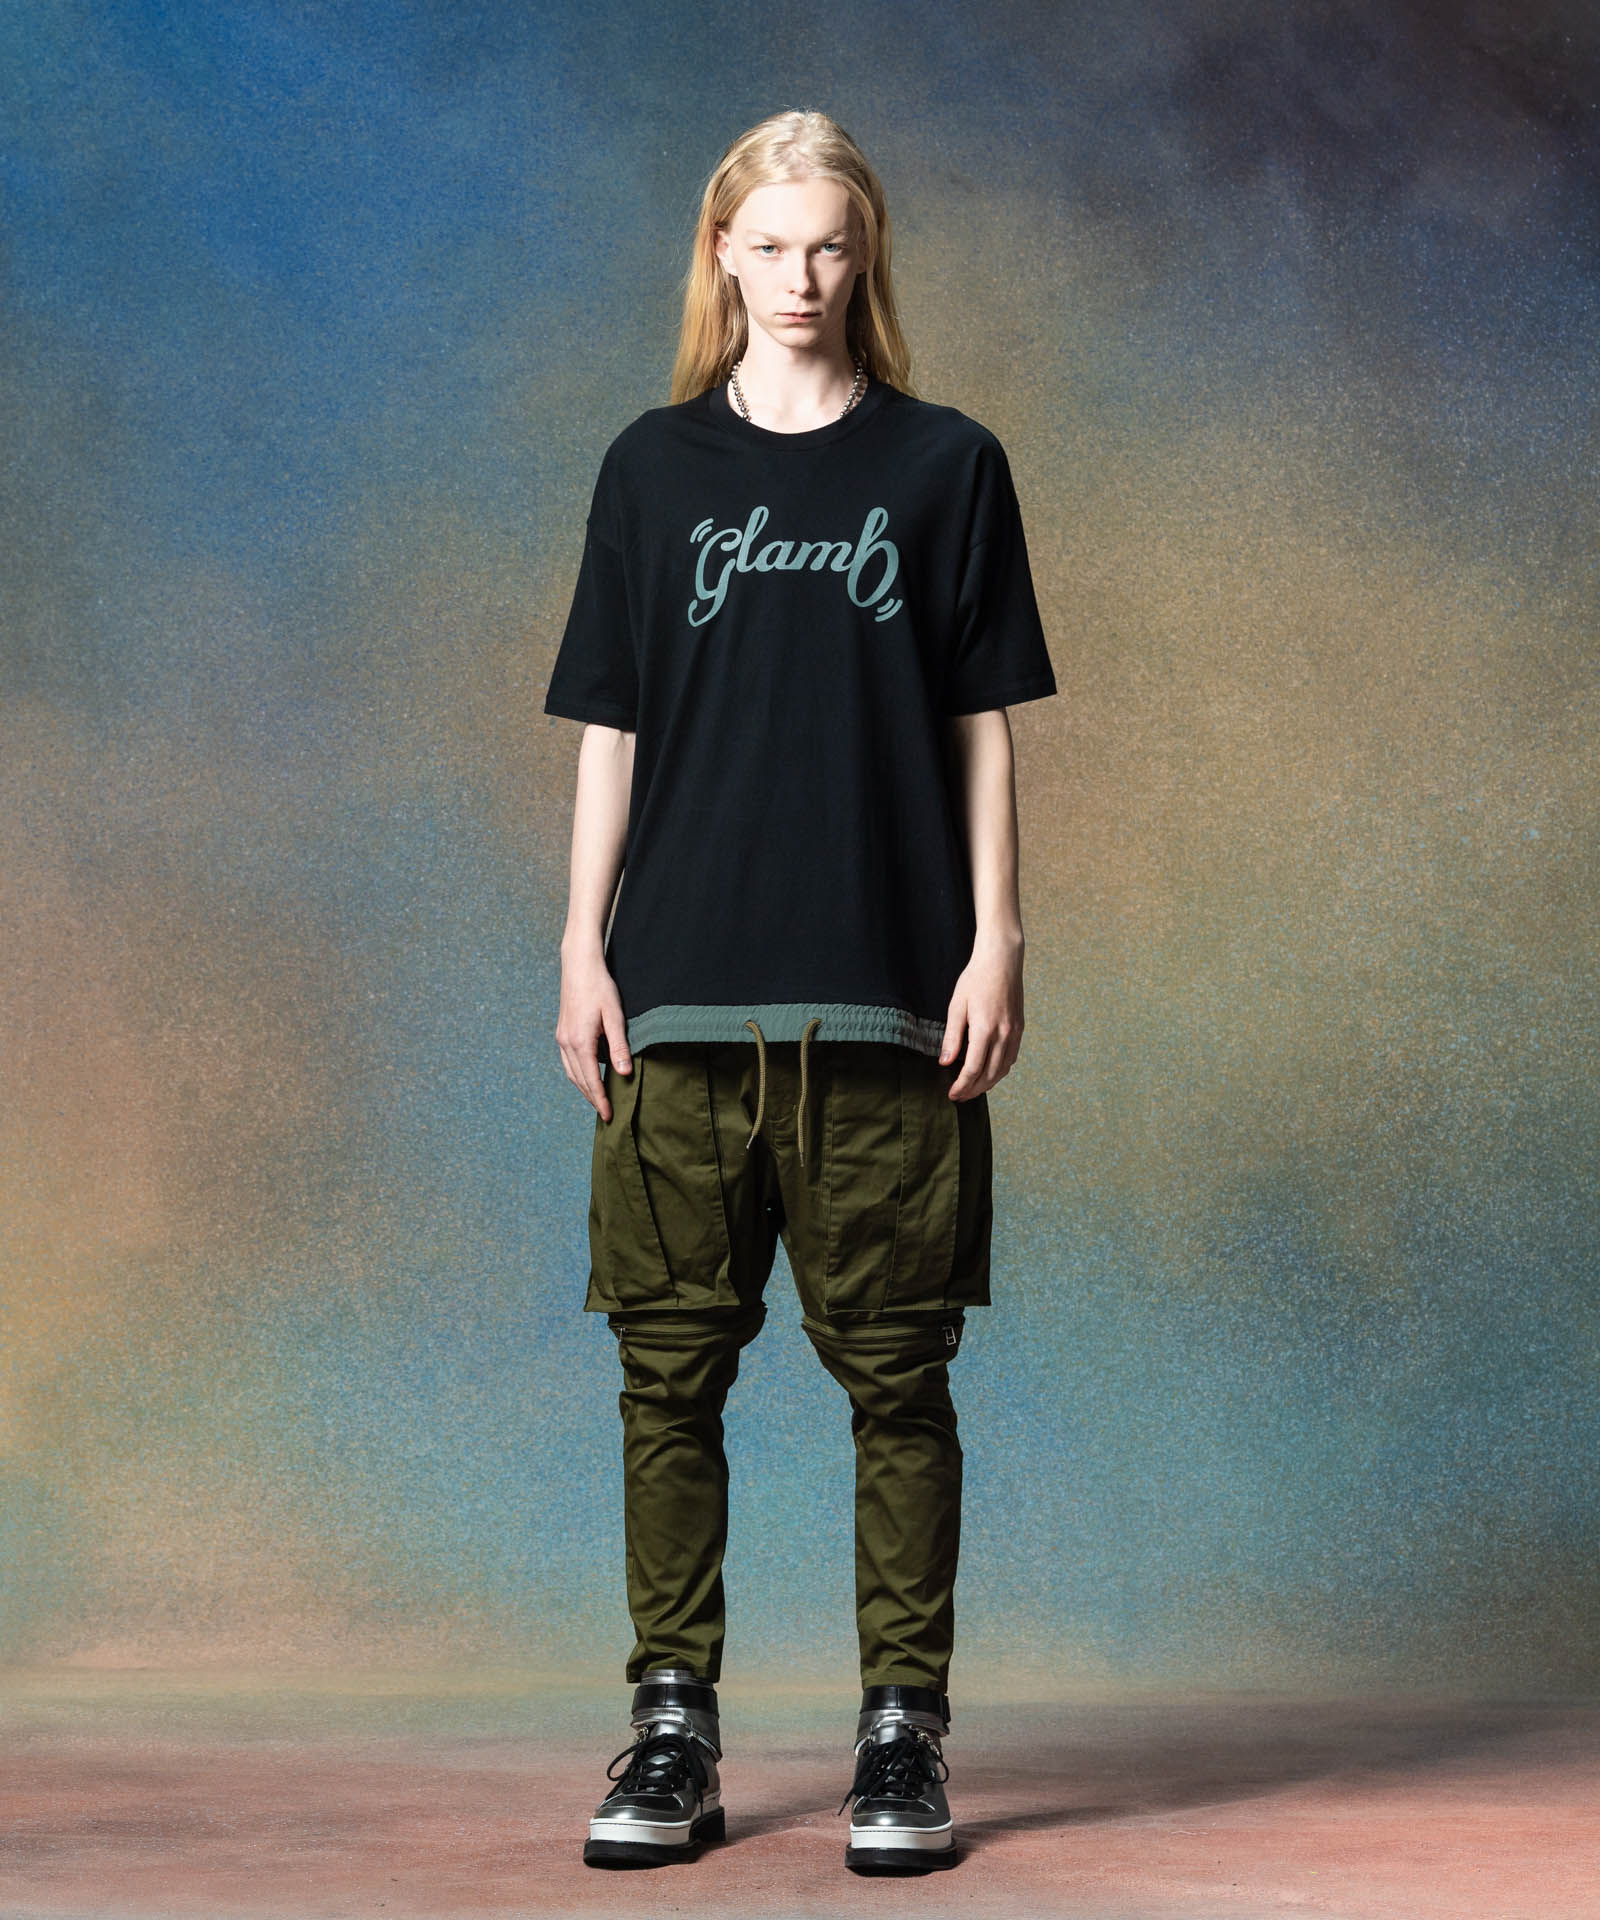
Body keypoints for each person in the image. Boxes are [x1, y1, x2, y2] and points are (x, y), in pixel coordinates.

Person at [543, 107, 1057, 1877]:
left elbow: (980, 722)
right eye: (767, 246)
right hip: (679, 1003)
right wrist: (580, 942)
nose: (799, 278)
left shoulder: (947, 464)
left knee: (898, 1383)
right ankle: (671, 1726)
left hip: (883, 1004)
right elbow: (611, 727)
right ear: (721, 256)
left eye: (830, 245)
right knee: (666, 1383)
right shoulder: (650, 468)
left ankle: (901, 1737)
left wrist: (998, 937)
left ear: (866, 257)